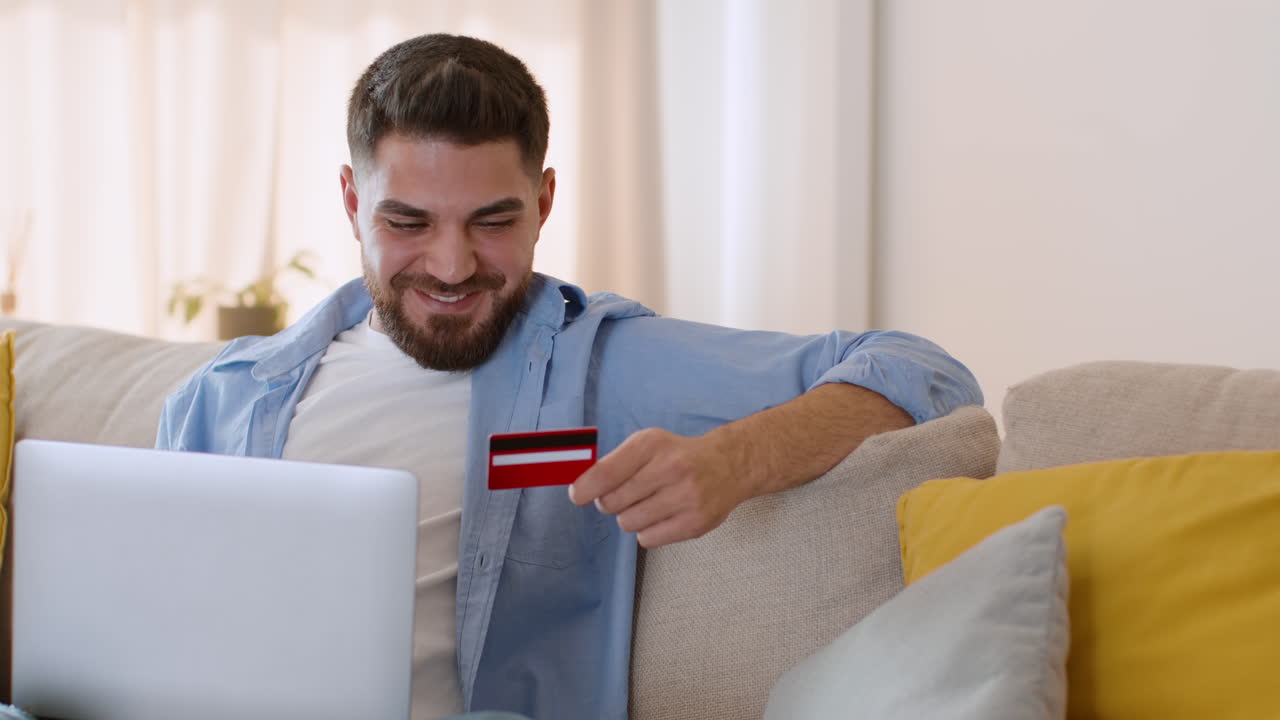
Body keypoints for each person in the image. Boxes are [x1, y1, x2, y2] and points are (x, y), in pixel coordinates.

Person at [156, 33, 982, 720]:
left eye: (493, 221)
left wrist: (736, 461)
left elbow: (923, 371)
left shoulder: (608, 364)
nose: (452, 266)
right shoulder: (222, 397)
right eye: (408, 222)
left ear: (544, 202)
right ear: (350, 201)